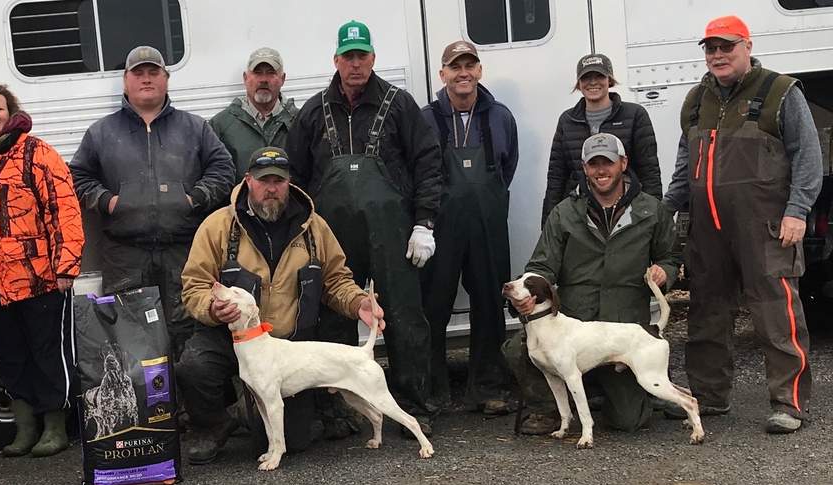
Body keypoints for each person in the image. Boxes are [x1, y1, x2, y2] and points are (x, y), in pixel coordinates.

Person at [662, 15, 822, 433]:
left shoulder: (779, 91)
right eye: (711, 48)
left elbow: (808, 157)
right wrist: (665, 211)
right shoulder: (697, 99)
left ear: (747, 46)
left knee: (776, 316)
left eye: (726, 46)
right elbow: (685, 166)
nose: (718, 55)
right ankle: (710, 398)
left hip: (766, 226)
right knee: (706, 315)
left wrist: (797, 211)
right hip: (706, 230)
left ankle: (788, 403)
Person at [177, 147, 383, 464]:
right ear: (248, 181)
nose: (271, 188)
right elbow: (193, 286)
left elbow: (336, 280)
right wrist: (213, 308)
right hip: (229, 339)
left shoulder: (314, 228)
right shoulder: (218, 226)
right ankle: (212, 426)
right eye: (263, 180)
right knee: (194, 365)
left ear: (289, 183)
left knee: (296, 442)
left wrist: (358, 303)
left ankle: (246, 412)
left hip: (287, 348)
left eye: (279, 181)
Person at [286, 20, 443, 431]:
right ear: (336, 60)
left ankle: (414, 408)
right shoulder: (313, 111)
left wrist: (424, 222)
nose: (355, 64)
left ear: (373, 58)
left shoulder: (400, 104)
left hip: (393, 233)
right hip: (334, 237)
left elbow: (428, 163)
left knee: (405, 318)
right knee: (334, 319)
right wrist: (301, 233)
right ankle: (340, 411)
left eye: (362, 56)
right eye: (348, 56)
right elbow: (294, 178)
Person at [506, 133, 681, 435]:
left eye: (608, 163)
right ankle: (547, 409)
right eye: (594, 164)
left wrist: (664, 272)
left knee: (629, 422)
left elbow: (671, 255)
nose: (601, 171)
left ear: (623, 163)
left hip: (622, 327)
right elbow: (541, 265)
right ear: (585, 168)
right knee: (516, 349)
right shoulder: (564, 213)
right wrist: (527, 298)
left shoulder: (652, 210)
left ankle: (625, 392)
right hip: (574, 320)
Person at [70, 45, 235, 359]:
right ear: (125, 82)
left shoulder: (195, 128)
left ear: (166, 79)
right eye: (138, 73)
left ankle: (186, 406)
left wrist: (195, 197)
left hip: (184, 253)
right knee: (131, 339)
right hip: (125, 257)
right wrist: (108, 201)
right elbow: (78, 176)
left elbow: (223, 168)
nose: (146, 79)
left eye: (153, 72)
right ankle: (146, 407)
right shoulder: (101, 132)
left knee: (188, 335)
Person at [0, 82, 84, 457]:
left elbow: (64, 207)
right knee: (9, 357)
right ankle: (25, 428)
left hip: (40, 278)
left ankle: (55, 428)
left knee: (49, 353)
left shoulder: (36, 152)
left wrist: (66, 265)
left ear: (11, 112)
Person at [420, 40, 519, 415]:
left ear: (479, 71)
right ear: (442, 74)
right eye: (455, 66)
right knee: (434, 305)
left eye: (470, 65)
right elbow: (416, 173)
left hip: (487, 227)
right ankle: (432, 390)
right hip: (440, 228)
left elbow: (507, 169)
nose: (463, 73)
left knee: (490, 304)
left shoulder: (501, 117)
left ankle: (487, 387)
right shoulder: (426, 118)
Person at [543, 53, 661, 223]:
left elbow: (650, 172)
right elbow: (556, 177)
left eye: (599, 75)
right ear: (579, 83)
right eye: (586, 77)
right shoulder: (566, 121)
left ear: (610, 80)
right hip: (580, 215)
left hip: (627, 212)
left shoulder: (635, 115)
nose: (592, 82)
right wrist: (548, 223)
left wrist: (653, 218)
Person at [209, 47, 299, 180]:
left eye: (270, 73)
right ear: (245, 78)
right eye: (257, 72)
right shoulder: (220, 125)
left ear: (283, 78)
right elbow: (214, 176)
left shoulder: (300, 122)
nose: (263, 79)